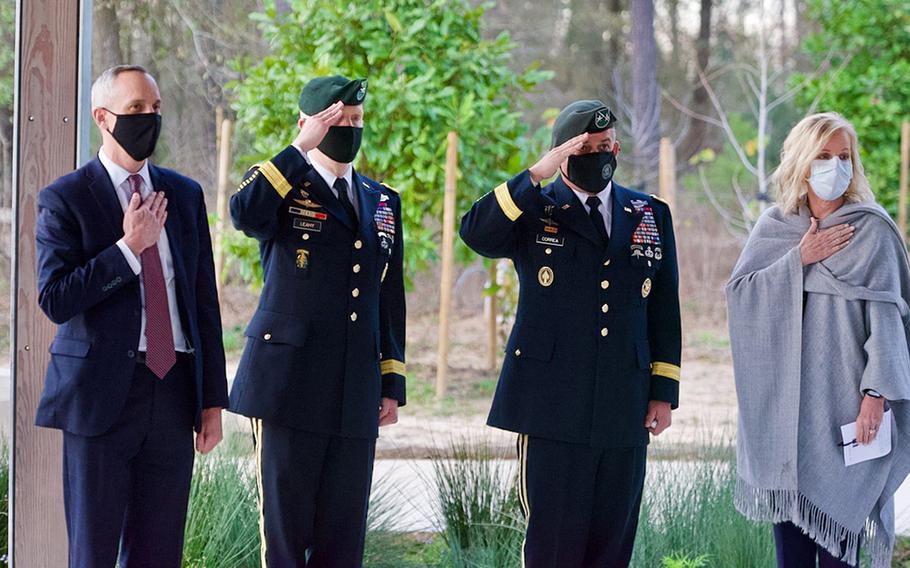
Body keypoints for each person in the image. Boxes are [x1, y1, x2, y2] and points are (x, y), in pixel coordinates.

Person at [460, 100, 681, 566]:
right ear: (561, 154)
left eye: (605, 146)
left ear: (617, 149)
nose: (598, 155)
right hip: (550, 406)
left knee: (612, 545)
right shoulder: (534, 208)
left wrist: (662, 392)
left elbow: (663, 308)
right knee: (553, 546)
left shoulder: (648, 213)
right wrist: (535, 174)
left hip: (624, 403)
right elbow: (477, 233)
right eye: (584, 148)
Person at [34, 65, 228, 567]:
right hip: (100, 399)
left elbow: (203, 302)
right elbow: (55, 296)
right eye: (136, 109)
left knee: (159, 553)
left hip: (172, 389)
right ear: (103, 117)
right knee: (93, 552)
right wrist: (127, 248)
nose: (149, 118)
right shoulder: (66, 198)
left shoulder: (183, 195)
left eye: (156, 108)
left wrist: (211, 402)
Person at [229, 75, 406, 567]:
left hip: (355, 388)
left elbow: (388, 297)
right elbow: (244, 214)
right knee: (285, 535)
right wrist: (298, 148)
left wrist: (390, 381)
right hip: (288, 384)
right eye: (335, 119)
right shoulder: (283, 183)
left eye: (355, 120)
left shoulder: (382, 200)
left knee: (343, 537)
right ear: (307, 123)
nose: (348, 128)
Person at [727, 112, 910, 568]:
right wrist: (799, 260)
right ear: (803, 164)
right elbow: (741, 297)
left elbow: (888, 319)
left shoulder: (872, 230)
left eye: (844, 156)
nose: (835, 166)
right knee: (791, 554)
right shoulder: (777, 226)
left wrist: (876, 394)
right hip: (787, 416)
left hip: (848, 407)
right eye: (824, 156)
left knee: (838, 549)